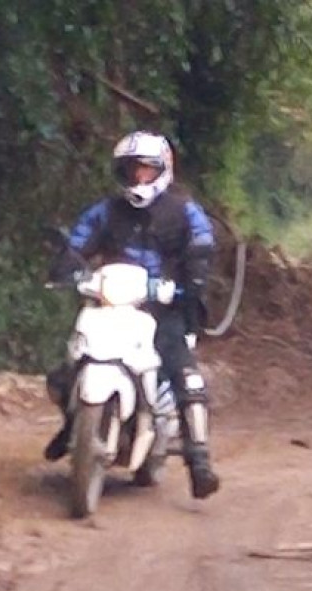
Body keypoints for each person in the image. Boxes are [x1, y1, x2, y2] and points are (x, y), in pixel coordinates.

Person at [44, 130, 221, 500]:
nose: (138, 178)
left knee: (185, 375)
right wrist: (66, 266)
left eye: (146, 170)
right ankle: (73, 424)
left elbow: (202, 242)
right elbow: (78, 241)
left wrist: (193, 276)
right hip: (111, 302)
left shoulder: (183, 211)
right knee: (67, 366)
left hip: (163, 306)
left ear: (163, 170)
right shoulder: (105, 211)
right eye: (131, 170)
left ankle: (199, 460)